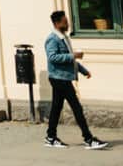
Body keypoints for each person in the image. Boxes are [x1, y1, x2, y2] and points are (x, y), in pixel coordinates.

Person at [44, 10, 108, 149]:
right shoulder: (53, 39)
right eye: (64, 21)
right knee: (76, 108)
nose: (67, 23)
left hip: (62, 77)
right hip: (59, 78)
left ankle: (50, 137)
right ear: (57, 23)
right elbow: (52, 57)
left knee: (56, 108)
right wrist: (73, 56)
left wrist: (83, 70)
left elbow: (70, 59)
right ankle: (89, 139)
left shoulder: (64, 37)